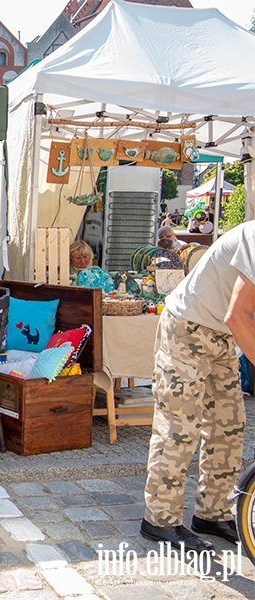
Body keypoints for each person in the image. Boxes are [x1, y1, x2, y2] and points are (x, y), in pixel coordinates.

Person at [140, 222, 255, 552]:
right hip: (188, 326)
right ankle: (159, 520)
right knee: (180, 426)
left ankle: (213, 514)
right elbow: (239, 314)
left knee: (229, 425)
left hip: (222, 335)